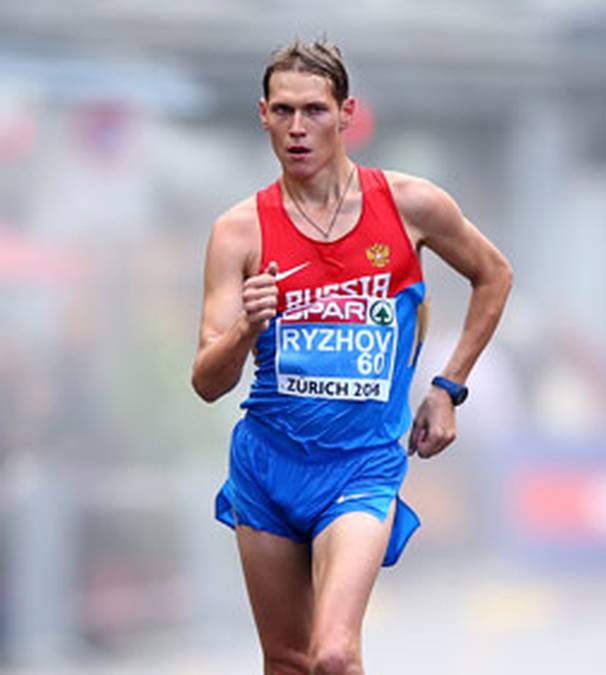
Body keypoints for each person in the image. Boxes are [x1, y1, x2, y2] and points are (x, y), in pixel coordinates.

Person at [191, 39, 512, 674]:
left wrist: (448, 388)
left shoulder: (409, 204)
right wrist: (246, 329)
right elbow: (206, 380)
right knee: (286, 661)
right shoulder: (240, 231)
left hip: (360, 466)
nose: (298, 128)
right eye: (283, 112)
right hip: (268, 465)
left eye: (313, 110)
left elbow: (494, 275)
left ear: (346, 113)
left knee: (333, 655)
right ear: (262, 115)